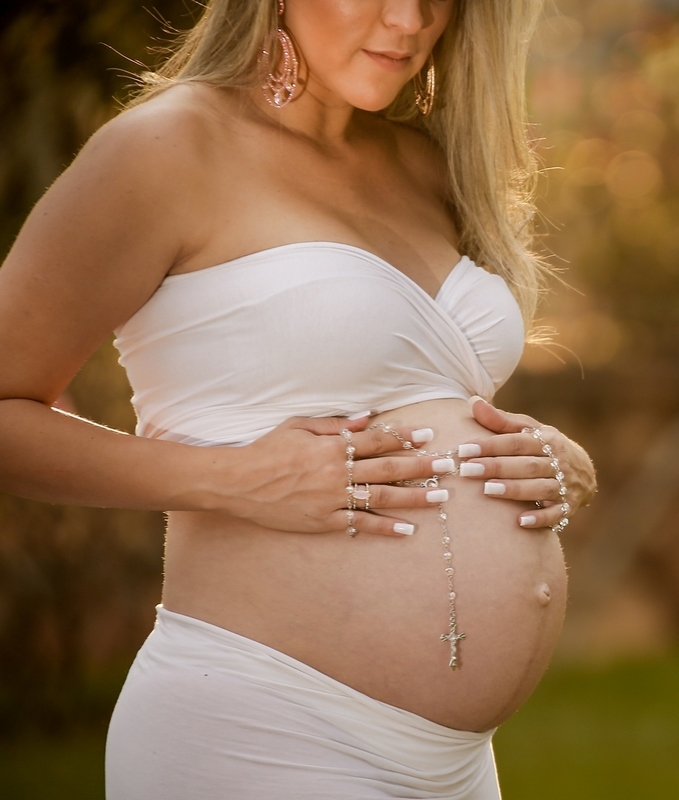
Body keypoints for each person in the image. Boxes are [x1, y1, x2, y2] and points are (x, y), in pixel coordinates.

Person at [0, 0, 597, 797]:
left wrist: (559, 462)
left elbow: (420, 394)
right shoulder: (168, 148)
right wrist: (230, 478)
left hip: (455, 767)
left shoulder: (425, 164)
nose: (408, 20)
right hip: (261, 731)